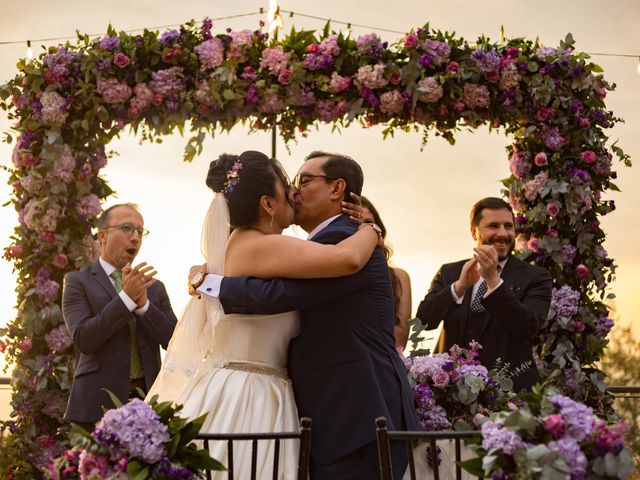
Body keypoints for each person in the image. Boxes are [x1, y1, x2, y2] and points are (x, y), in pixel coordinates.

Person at [147, 151, 382, 480]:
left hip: (245, 387)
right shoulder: (264, 245)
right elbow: (346, 259)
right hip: (250, 396)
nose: (294, 193)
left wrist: (203, 279)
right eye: (287, 186)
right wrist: (372, 229)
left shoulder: (236, 246)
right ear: (268, 204)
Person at [199, 151, 419, 480]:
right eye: (290, 183)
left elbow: (278, 295)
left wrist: (211, 284)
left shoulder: (344, 238)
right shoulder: (317, 245)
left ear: (337, 188)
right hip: (331, 415)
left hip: (356, 416)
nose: (294, 191)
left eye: (304, 181)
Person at [415, 197, 552, 392]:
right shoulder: (450, 272)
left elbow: (528, 326)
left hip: (510, 395)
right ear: (474, 231)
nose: (503, 234)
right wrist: (459, 287)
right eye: (493, 226)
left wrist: (494, 281)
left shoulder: (537, 276)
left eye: (508, 226)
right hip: (449, 393)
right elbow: (423, 321)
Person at [62, 203, 178, 431]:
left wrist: (143, 305)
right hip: (95, 406)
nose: (135, 237)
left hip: (150, 404)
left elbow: (175, 342)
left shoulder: (154, 288)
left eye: (140, 231)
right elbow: (84, 338)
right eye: (127, 228)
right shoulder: (77, 282)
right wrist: (126, 299)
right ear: (102, 236)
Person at [361, 196, 412, 350]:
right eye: (357, 223)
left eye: (369, 223)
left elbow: (400, 339)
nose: (365, 230)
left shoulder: (398, 277)